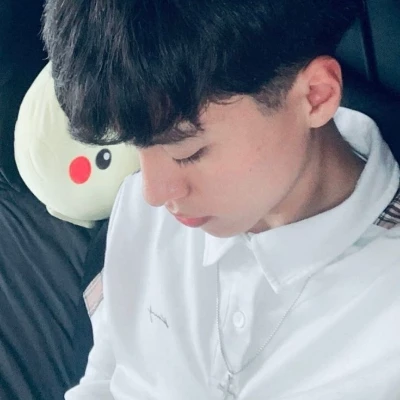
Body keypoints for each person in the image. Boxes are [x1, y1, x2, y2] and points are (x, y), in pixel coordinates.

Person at [43, 0, 400, 398]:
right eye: (136, 146)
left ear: (315, 96)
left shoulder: (386, 317)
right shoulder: (142, 211)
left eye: (188, 153)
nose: (153, 193)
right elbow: (107, 379)